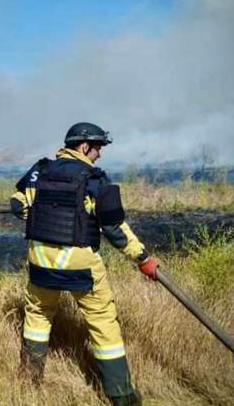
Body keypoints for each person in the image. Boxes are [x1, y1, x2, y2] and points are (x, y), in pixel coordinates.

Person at [10, 122, 159, 406]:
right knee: (104, 324)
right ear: (83, 146)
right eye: (98, 148)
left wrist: (40, 211)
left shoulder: (39, 170)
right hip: (81, 269)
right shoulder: (95, 180)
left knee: (38, 316)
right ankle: (122, 395)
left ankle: (30, 379)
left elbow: (18, 204)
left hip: (40, 265)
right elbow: (115, 229)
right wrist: (143, 259)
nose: (99, 154)